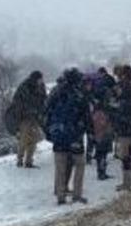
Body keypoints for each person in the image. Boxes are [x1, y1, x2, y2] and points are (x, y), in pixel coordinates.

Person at [45, 69, 91, 204]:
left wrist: (50, 133)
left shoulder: (55, 93)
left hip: (58, 136)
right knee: (80, 164)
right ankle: (77, 195)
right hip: (75, 136)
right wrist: (87, 131)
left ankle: (60, 195)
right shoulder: (79, 95)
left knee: (60, 166)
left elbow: (46, 112)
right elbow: (86, 116)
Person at [8, 71, 47, 168]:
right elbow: (17, 103)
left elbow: (43, 99)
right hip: (24, 117)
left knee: (34, 138)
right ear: (35, 79)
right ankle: (19, 159)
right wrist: (27, 111)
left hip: (35, 116)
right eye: (40, 79)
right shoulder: (24, 87)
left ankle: (29, 161)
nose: (41, 81)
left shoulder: (41, 87)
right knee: (24, 139)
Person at [90, 69, 118, 180]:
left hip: (96, 117)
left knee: (99, 143)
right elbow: (112, 105)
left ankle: (100, 168)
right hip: (105, 118)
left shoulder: (95, 91)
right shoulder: (107, 91)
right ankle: (101, 171)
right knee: (104, 145)